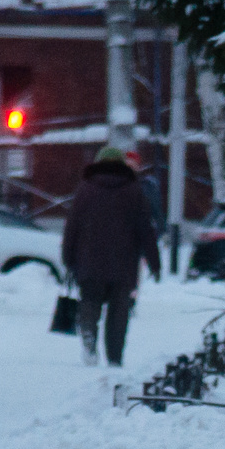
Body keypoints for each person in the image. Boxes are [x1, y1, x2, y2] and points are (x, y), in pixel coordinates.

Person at [61, 144, 160, 368]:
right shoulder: (134, 191)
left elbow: (72, 226)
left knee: (90, 303)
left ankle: (88, 336)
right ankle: (115, 357)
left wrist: (68, 258)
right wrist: (155, 262)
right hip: (123, 264)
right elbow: (145, 229)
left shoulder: (85, 189)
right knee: (119, 312)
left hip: (89, 261)